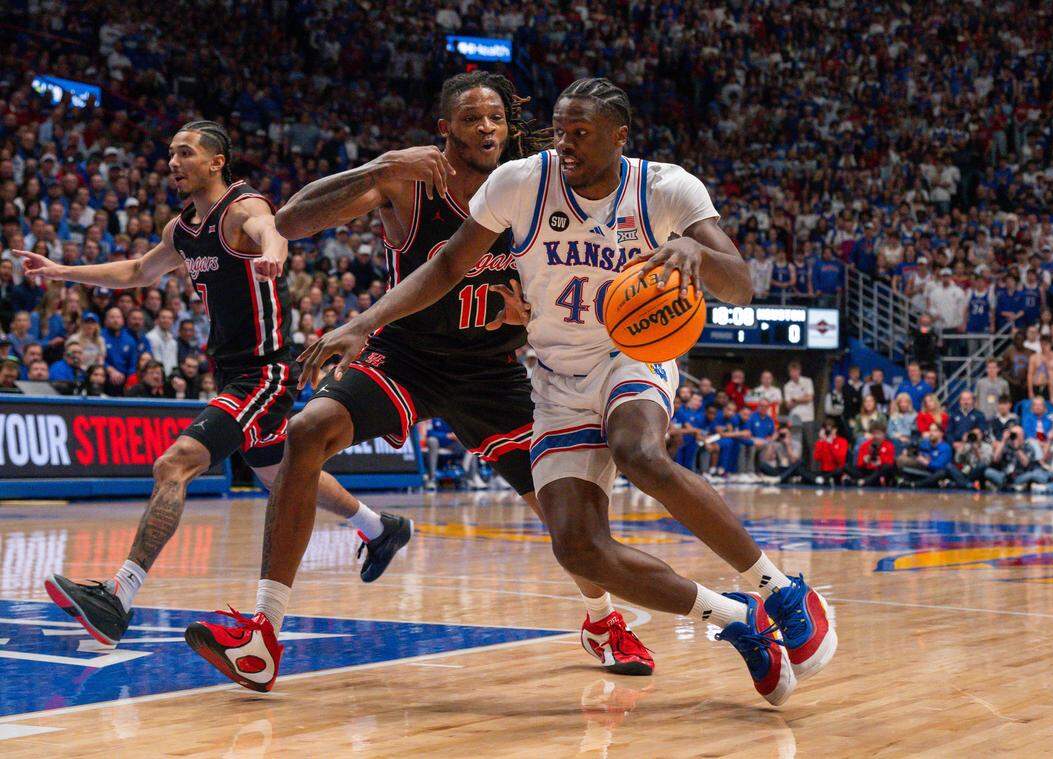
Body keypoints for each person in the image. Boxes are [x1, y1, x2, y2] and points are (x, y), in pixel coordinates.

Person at [243, 77, 835, 703]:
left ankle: (780, 588)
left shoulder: (666, 187)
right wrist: (363, 322)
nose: (565, 143)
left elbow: (740, 285)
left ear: (619, 136)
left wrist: (694, 252)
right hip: (551, 378)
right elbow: (445, 266)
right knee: (579, 549)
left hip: (627, 355)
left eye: (580, 132)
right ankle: (740, 619)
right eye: (559, 130)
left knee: (639, 452)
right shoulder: (521, 182)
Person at [19, 121, 397, 647]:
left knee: (174, 464)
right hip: (233, 373)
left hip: (264, 372)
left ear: (217, 162)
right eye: (170, 153)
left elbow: (271, 228)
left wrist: (274, 253)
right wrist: (61, 271)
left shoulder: (241, 209)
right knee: (278, 474)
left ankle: (118, 596)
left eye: (186, 153)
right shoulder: (182, 230)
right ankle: (379, 527)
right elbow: (136, 273)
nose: (174, 162)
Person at [983, 425, 1041, 491]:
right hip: (1004, 476)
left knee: (1031, 475)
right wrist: (1003, 441)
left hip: (1020, 476)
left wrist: (1017, 448)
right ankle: (1011, 486)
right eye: (1013, 434)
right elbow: (995, 459)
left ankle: (1012, 486)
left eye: (1016, 435)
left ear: (1022, 436)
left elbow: (1026, 464)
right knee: (988, 471)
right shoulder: (1006, 445)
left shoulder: (1028, 447)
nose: (1014, 436)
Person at [849, 422, 896, 486]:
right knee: (847, 467)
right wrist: (865, 460)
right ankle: (863, 480)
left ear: (884, 434)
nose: (876, 436)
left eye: (879, 433)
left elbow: (890, 462)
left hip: (881, 471)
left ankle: (864, 481)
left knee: (886, 467)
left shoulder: (889, 445)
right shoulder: (865, 445)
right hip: (868, 470)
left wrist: (880, 462)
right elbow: (859, 464)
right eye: (874, 433)